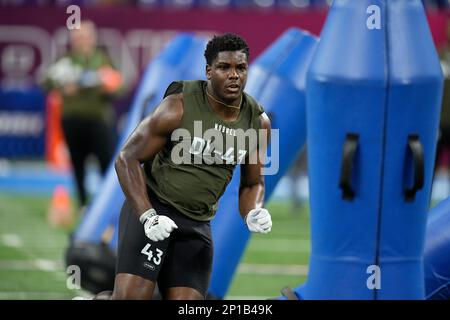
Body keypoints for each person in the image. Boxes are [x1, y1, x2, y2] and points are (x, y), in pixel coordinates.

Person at [110, 33, 273, 300]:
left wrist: (253, 211)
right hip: (155, 208)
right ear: (209, 71)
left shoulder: (258, 122)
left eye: (240, 68)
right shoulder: (178, 105)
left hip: (197, 223)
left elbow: (253, 182)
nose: (234, 75)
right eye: (224, 67)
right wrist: (148, 216)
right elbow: (126, 158)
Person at [43, 20, 122, 208]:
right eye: (79, 37)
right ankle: (82, 203)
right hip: (72, 119)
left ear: (93, 38)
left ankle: (106, 205)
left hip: (99, 119)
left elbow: (121, 86)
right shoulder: (66, 61)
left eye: (86, 36)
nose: (83, 41)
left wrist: (109, 87)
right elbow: (46, 82)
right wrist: (62, 88)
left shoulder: (103, 59)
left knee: (107, 163)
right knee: (78, 164)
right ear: (73, 40)